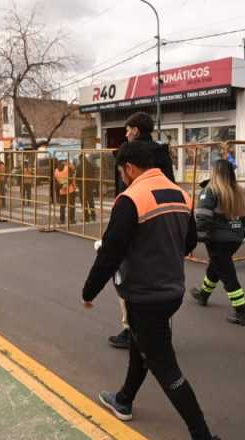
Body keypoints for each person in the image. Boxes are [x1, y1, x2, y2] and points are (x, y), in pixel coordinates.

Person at [81, 140, 220, 440]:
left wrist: (89, 292)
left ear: (129, 168)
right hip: (172, 290)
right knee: (141, 345)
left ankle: (203, 435)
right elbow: (189, 242)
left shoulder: (131, 198)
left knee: (166, 367)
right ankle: (124, 399)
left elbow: (110, 252)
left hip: (144, 295)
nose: (122, 177)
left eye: (121, 172)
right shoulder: (181, 194)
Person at [107, 111, 176, 349]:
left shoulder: (131, 153)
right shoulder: (162, 153)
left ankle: (131, 329)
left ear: (136, 130)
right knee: (161, 275)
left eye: (128, 130)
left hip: (134, 218)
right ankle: (161, 328)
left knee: (128, 275)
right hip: (162, 221)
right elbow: (171, 186)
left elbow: (123, 191)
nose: (126, 134)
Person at [190, 159, 245, 326]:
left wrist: (196, 237)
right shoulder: (238, 191)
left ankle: (241, 312)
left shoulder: (211, 190)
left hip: (217, 239)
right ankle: (203, 294)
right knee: (217, 265)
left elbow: (203, 217)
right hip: (235, 238)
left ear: (215, 172)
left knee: (228, 275)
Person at [54, 159, 76, 224]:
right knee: (71, 205)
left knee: (62, 206)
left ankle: (62, 220)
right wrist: (65, 185)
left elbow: (56, 183)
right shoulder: (67, 168)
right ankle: (71, 219)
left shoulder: (56, 171)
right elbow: (71, 178)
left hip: (62, 191)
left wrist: (61, 186)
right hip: (70, 190)